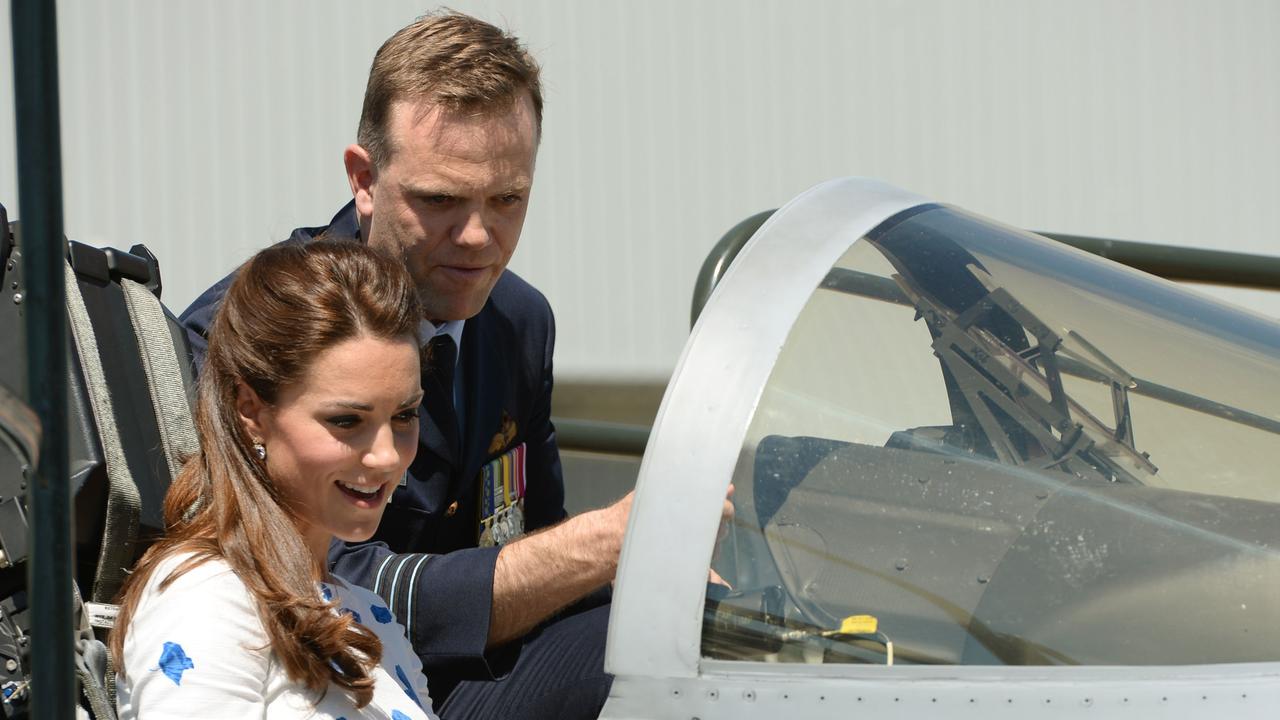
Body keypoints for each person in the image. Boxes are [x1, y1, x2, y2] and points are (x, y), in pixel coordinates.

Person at [180, 10, 629, 719]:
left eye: (508, 199)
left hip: (469, 670)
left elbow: (530, 535)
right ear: (364, 178)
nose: (479, 236)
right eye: (440, 200)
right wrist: (601, 546)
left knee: (693, 641)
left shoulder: (515, 323)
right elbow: (314, 586)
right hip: (327, 676)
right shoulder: (242, 337)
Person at [112, 241, 437, 719]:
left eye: (405, 415)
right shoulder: (207, 596)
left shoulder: (367, 612)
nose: (388, 456)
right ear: (251, 412)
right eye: (347, 420)